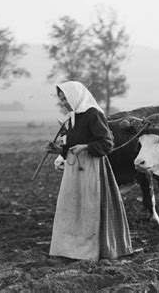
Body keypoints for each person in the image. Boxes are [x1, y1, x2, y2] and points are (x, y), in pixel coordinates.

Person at [45, 81, 133, 261]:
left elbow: (107, 143)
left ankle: (90, 252)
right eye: (62, 100)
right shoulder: (72, 118)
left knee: (89, 210)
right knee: (72, 210)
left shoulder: (93, 114)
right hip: (74, 172)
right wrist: (58, 149)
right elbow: (70, 146)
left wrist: (85, 147)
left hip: (92, 169)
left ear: (76, 95)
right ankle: (70, 250)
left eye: (66, 98)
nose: (65, 102)